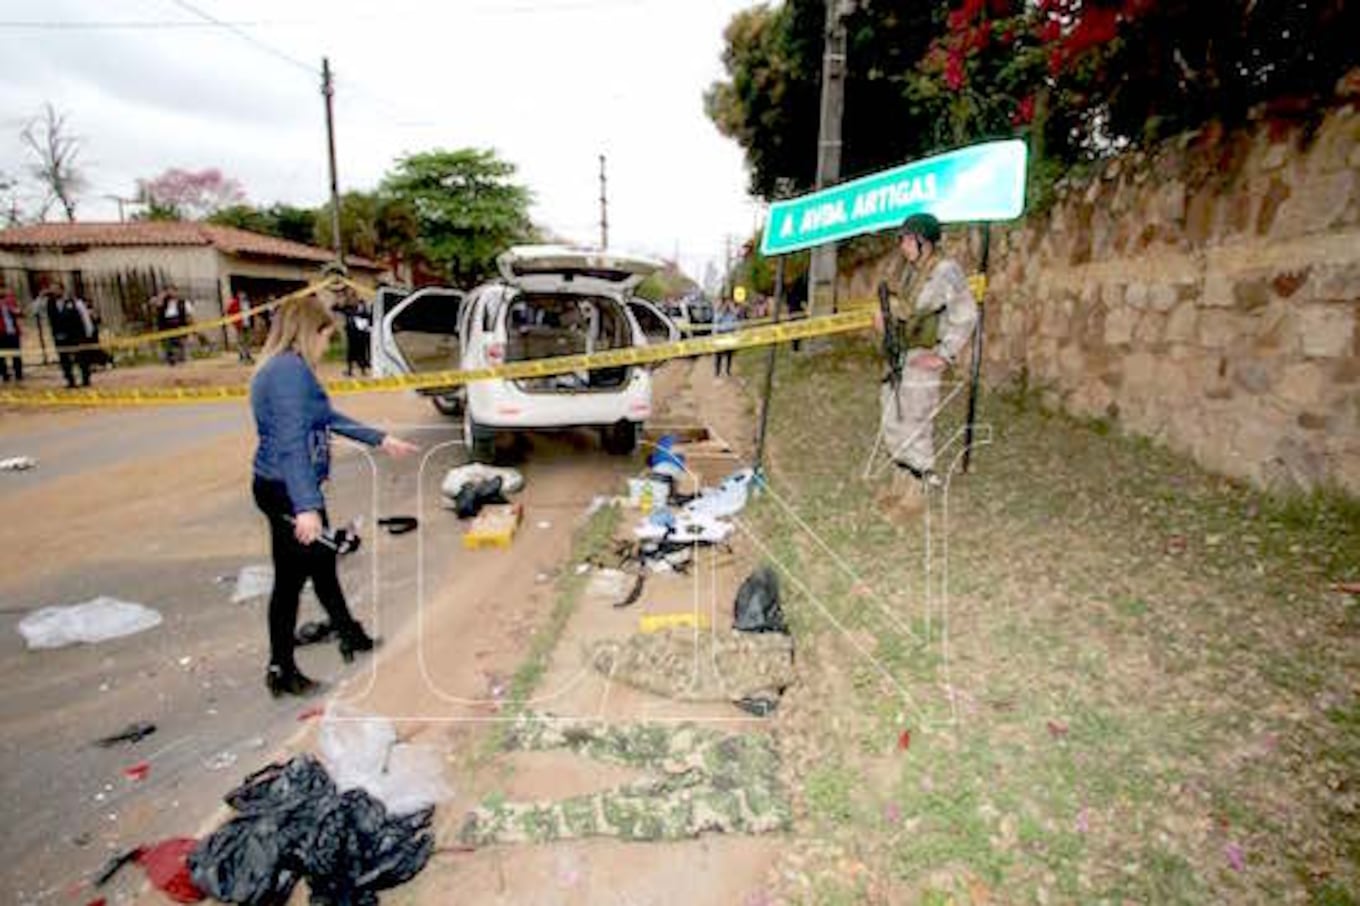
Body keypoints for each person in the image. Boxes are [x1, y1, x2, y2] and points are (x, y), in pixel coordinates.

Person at [250, 293, 419, 697]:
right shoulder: (289, 372)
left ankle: (348, 635)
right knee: (291, 581)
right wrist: (306, 507)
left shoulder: (281, 368)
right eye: (327, 336)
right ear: (311, 332)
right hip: (288, 489)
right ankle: (282, 669)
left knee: (321, 565)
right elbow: (292, 443)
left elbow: (324, 417)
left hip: (284, 485)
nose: (328, 346)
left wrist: (379, 438)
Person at [873, 213, 978, 512]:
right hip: (900, 354)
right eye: (902, 239)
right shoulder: (909, 271)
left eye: (908, 239)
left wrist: (945, 354)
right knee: (893, 419)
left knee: (915, 421)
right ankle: (901, 483)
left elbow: (966, 313)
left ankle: (915, 494)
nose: (903, 245)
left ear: (925, 242)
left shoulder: (946, 270)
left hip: (922, 354)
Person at [42, 283, 94, 388]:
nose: (54, 292)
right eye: (52, 290)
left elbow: (85, 316)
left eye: (56, 289)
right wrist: (40, 297)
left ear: (62, 290)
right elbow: (35, 311)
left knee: (81, 357)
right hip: (60, 336)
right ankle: (70, 380)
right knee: (64, 359)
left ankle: (85, 378)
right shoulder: (49, 303)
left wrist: (89, 332)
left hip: (76, 334)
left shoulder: (74, 301)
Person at [155, 286, 194, 366]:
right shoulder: (163, 303)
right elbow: (157, 307)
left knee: (182, 346)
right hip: (166, 327)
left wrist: (190, 328)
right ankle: (170, 361)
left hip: (180, 326)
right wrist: (161, 297)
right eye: (169, 291)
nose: (171, 293)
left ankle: (183, 360)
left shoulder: (183, 302)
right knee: (168, 347)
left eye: (173, 291)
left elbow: (189, 315)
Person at [338, 294, 373, 376]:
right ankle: (353, 371)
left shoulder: (362, 313)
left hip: (357, 335)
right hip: (354, 335)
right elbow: (335, 308)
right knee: (355, 353)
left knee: (359, 353)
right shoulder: (349, 310)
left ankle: (361, 371)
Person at [0, 284, 23, 383]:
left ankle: (18, 374)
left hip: (13, 332)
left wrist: (16, 310)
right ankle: (4, 375)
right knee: (2, 356)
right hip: (1, 333)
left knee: (16, 354)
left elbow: (19, 312)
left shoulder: (10, 301)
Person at [712, 298, 739, 378]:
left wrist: (732, 309)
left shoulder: (732, 313)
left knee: (729, 354)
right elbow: (716, 321)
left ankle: (728, 371)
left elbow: (736, 320)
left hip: (730, 334)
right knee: (718, 354)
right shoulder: (718, 312)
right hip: (720, 334)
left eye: (728, 304)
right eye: (725, 304)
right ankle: (717, 372)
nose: (727, 306)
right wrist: (722, 311)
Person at [226, 290, 254, 364]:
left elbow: (253, 312)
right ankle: (241, 356)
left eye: (243, 294)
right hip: (240, 325)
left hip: (248, 324)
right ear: (238, 295)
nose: (242, 295)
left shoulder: (247, 303)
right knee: (241, 341)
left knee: (248, 341)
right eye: (241, 294)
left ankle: (248, 355)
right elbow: (229, 312)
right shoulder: (235, 303)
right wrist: (234, 322)